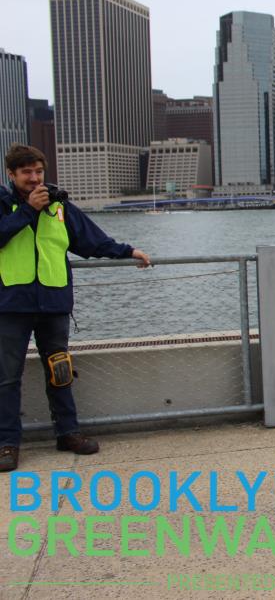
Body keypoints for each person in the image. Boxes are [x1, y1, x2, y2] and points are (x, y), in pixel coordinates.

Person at [0, 144, 151, 472]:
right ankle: (7, 443)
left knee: (60, 371)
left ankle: (68, 433)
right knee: (7, 377)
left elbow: (91, 241)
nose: (34, 178)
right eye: (26, 172)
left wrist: (128, 251)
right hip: (11, 304)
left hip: (53, 301)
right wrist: (27, 210)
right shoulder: (4, 204)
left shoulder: (59, 206)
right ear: (11, 174)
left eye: (38, 171)